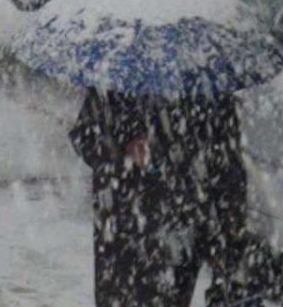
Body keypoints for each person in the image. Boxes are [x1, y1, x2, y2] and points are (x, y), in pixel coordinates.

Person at [69, 87, 248, 306]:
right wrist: (123, 150)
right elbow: (84, 137)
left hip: (179, 231)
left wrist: (226, 239)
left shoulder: (207, 91)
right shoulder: (120, 84)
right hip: (123, 228)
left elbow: (229, 170)